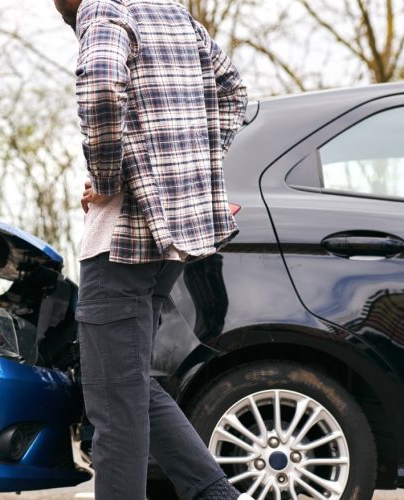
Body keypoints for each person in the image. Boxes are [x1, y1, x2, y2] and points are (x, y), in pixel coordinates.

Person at [51, 0, 250, 499]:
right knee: (131, 387)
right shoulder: (176, 17)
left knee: (114, 407)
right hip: (165, 248)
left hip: (119, 248)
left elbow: (99, 85)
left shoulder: (104, 12)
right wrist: (192, 179)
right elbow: (233, 92)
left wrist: (107, 179)